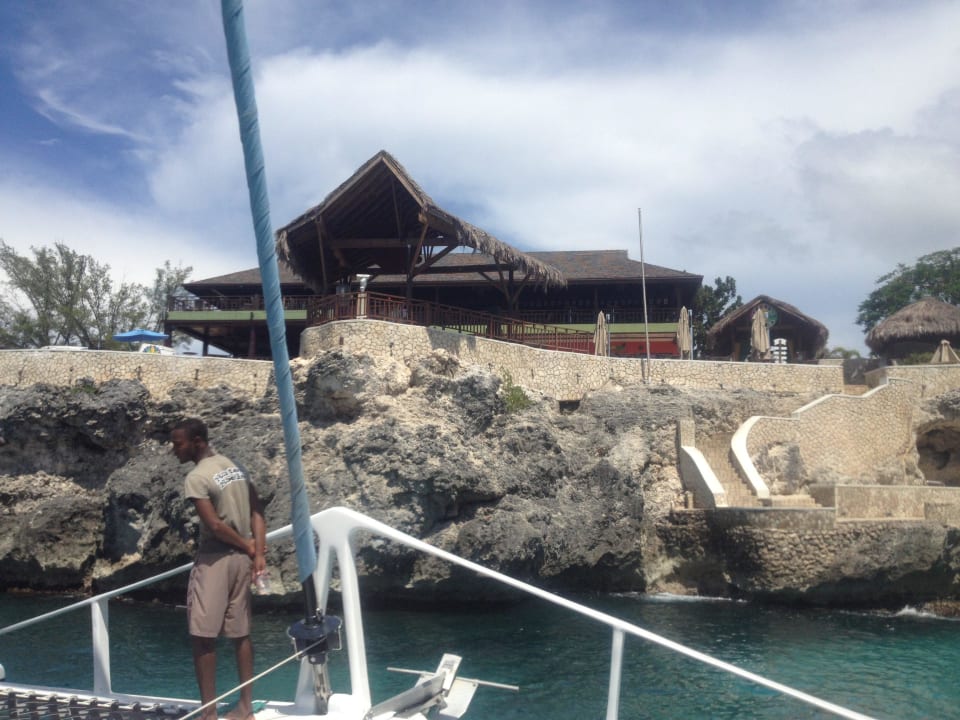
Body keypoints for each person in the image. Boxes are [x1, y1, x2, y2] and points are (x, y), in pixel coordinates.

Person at [171, 418, 266, 720]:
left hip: (215, 560)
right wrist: (257, 551)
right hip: (242, 562)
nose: (174, 450)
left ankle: (209, 714)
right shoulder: (235, 467)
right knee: (241, 634)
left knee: (202, 636)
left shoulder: (197, 477)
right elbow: (257, 511)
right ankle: (246, 708)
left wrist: (248, 545)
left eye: (178, 444)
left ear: (197, 442)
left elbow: (213, 524)